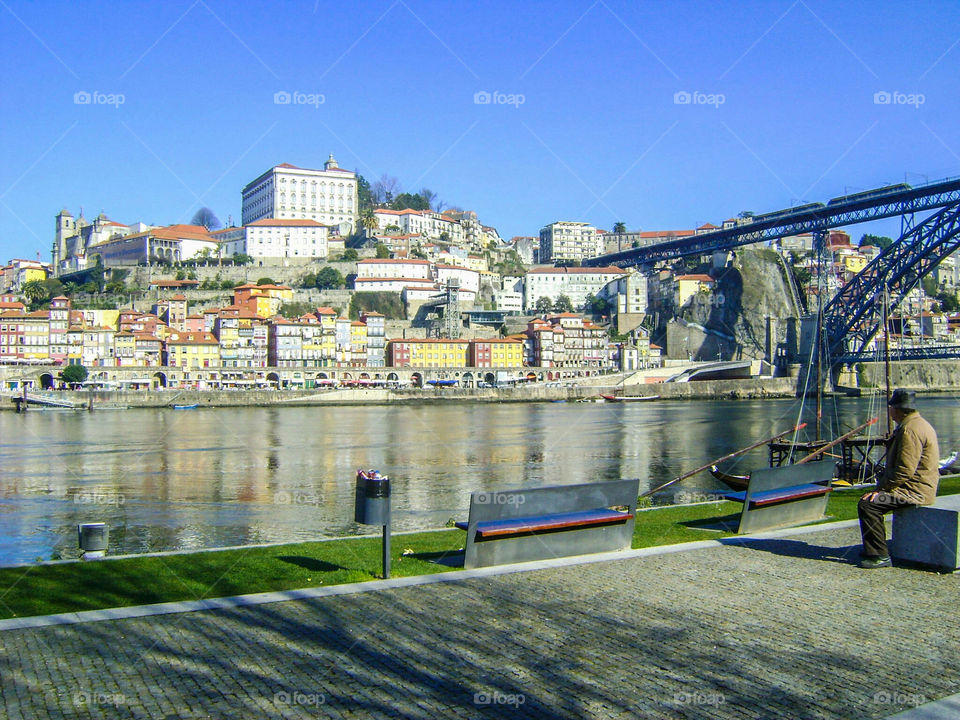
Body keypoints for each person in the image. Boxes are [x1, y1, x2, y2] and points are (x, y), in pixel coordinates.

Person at [857, 388, 940, 568]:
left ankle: (879, 554)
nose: (890, 412)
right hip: (916, 488)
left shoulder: (910, 430)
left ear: (899, 409)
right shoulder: (918, 424)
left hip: (913, 492)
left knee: (869, 505)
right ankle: (874, 549)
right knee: (870, 501)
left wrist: (881, 490)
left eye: (891, 408)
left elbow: (904, 470)